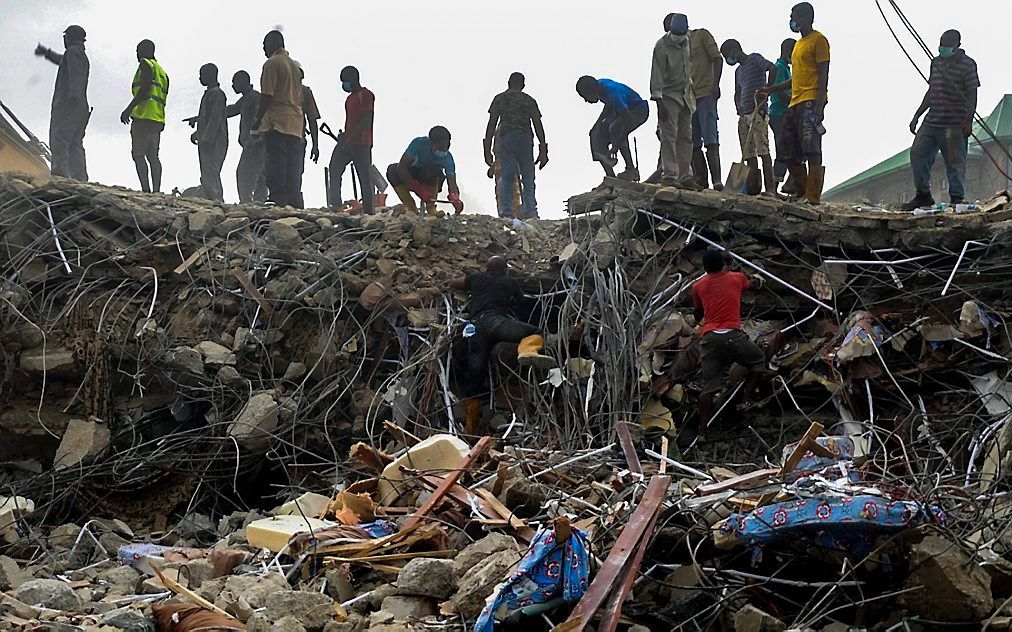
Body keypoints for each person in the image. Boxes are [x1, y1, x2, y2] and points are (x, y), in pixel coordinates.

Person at [448, 256, 554, 433]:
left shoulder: (477, 277)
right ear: (505, 269)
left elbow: (454, 283)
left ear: (486, 268)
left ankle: (470, 427)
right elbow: (519, 300)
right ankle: (528, 352)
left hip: (475, 328)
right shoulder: (509, 281)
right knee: (535, 331)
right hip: (496, 322)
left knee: (475, 374)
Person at [760, 2, 830, 205]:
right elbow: (795, 79)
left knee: (812, 148)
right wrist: (771, 89)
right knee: (786, 150)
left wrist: (819, 104)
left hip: (810, 100)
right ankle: (801, 191)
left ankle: (813, 196)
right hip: (794, 102)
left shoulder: (819, 40)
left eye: (794, 16)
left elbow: (824, 72)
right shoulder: (798, 45)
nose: (792, 20)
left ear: (806, 17)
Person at [902, 29, 979, 210]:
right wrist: (917, 115)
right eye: (941, 44)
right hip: (932, 121)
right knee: (917, 154)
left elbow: (972, 94)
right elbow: (931, 91)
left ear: (957, 46)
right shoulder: (936, 62)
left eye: (946, 45)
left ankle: (957, 199)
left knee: (955, 162)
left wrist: (968, 121)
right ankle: (923, 196)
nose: (942, 48)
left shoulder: (968, 65)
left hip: (954, 123)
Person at [692, 250, 766, 429]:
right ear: (723, 264)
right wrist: (757, 279)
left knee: (709, 386)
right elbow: (753, 285)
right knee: (758, 360)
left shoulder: (698, 286)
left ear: (705, 267)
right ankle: (746, 401)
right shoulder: (736, 278)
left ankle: (702, 430)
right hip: (733, 336)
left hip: (709, 338)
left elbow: (697, 312)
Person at [484, 72, 548, 219]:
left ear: (508, 83)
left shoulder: (500, 98)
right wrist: (543, 148)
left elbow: (492, 123)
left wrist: (487, 148)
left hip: (507, 138)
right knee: (528, 176)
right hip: (526, 139)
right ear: (523, 85)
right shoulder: (529, 100)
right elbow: (538, 124)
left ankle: (506, 212)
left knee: (507, 175)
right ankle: (531, 212)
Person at [254, 30, 304, 208]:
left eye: (264, 45)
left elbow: (267, 94)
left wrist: (258, 119)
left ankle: (276, 198)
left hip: (278, 121)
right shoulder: (294, 66)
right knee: (292, 164)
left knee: (276, 162)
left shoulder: (272, 64)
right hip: (295, 122)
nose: (263, 49)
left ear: (272, 44)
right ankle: (293, 200)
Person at [720, 39, 777, 195]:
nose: (728, 60)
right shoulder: (738, 71)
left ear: (734, 51)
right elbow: (737, 92)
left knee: (763, 151)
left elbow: (772, 68)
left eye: (727, 56)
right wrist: (738, 107)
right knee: (749, 154)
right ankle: (753, 189)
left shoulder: (754, 58)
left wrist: (767, 91)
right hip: (744, 115)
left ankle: (770, 190)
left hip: (758, 112)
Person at [34, 25, 90, 181]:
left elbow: (76, 76)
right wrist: (47, 53)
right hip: (80, 106)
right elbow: (63, 62)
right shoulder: (78, 55)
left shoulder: (72, 52)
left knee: (59, 138)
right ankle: (79, 179)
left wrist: (73, 97)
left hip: (69, 104)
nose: (64, 40)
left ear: (69, 37)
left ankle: (61, 177)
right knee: (74, 144)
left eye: (65, 36)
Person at [651, 13, 698, 189]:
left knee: (686, 137)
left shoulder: (687, 40)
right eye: (676, 34)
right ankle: (670, 175)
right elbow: (656, 76)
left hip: (686, 95)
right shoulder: (661, 46)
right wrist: (659, 102)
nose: (679, 38)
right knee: (668, 136)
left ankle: (686, 176)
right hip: (668, 96)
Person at [576, 76, 648, 180]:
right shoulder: (599, 87)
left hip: (638, 110)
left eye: (585, 96)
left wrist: (616, 145)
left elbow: (628, 121)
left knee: (615, 128)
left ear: (591, 91)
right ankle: (610, 176)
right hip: (620, 110)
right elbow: (608, 106)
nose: (586, 101)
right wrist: (596, 125)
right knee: (595, 134)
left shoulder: (613, 93)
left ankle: (631, 169)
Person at [119, 39, 168, 193]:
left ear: (146, 51)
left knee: (139, 154)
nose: (137, 54)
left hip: (143, 117)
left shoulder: (145, 64)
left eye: (138, 51)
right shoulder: (162, 72)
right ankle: (157, 190)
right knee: (153, 156)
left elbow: (145, 87)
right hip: (157, 119)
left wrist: (129, 109)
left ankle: (146, 190)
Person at [327, 66, 375, 213]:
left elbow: (367, 120)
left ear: (354, 79)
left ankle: (369, 210)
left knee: (364, 176)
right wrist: (346, 138)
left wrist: (352, 140)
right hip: (347, 140)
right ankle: (335, 204)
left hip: (361, 143)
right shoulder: (349, 98)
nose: (344, 85)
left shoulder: (366, 95)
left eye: (345, 81)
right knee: (334, 168)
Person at [387, 126, 464, 216]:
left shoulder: (448, 158)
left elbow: (452, 183)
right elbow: (402, 167)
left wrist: (455, 198)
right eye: (440, 148)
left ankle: (431, 208)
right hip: (410, 176)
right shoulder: (418, 143)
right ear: (431, 143)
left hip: (432, 180)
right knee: (392, 170)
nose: (443, 151)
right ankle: (410, 208)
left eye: (445, 148)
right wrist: (418, 189)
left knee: (433, 168)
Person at [689, 23, 723, 190]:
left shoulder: (701, 35)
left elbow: (717, 59)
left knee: (710, 137)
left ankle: (717, 180)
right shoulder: (675, 48)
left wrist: (715, 85)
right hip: (688, 99)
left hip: (706, 93)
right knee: (693, 141)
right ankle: (701, 179)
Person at [188, 63, 228, 202]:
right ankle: (213, 199)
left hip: (214, 142)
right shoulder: (210, 94)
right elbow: (207, 118)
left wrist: (207, 140)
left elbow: (215, 120)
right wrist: (198, 133)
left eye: (202, 74)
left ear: (210, 75)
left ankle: (216, 201)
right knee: (208, 172)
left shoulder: (217, 94)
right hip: (208, 140)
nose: (200, 78)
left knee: (211, 172)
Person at [225, 70, 267, 203]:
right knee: (260, 176)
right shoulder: (247, 98)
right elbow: (232, 109)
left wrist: (253, 140)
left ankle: (247, 203)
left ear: (243, 82)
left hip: (255, 144)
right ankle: (259, 203)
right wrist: (201, 117)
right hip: (256, 144)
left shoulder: (254, 97)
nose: (233, 86)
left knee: (244, 174)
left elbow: (258, 120)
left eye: (234, 83)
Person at [768, 39, 796, 193]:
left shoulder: (787, 69)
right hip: (779, 114)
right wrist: (795, 102)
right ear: (787, 51)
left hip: (785, 114)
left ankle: (786, 185)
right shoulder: (779, 67)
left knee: (789, 149)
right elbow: (778, 92)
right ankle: (774, 187)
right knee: (783, 150)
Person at [297, 68, 321, 208]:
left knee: (296, 171)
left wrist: (315, 146)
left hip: (298, 139)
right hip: (281, 136)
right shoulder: (279, 89)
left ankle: (294, 204)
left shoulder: (305, 92)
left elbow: (312, 119)